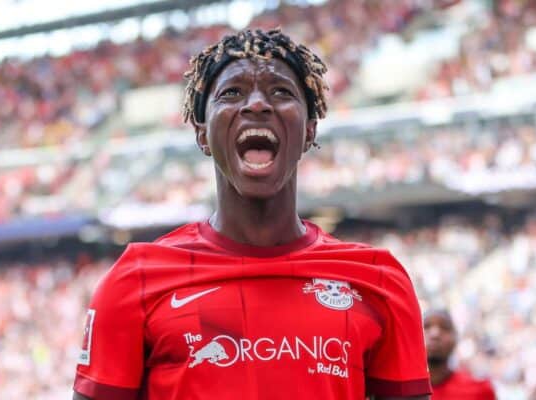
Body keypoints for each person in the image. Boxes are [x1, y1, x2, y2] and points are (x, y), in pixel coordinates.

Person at [72, 28, 431, 400]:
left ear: (309, 130)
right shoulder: (136, 281)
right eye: (232, 93)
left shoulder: (379, 281)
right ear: (202, 133)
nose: (257, 104)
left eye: (281, 92)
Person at [424, 309, 497, 400]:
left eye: (444, 327)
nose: (435, 334)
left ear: (456, 338)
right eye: (426, 326)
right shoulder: (403, 391)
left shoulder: (480, 390)